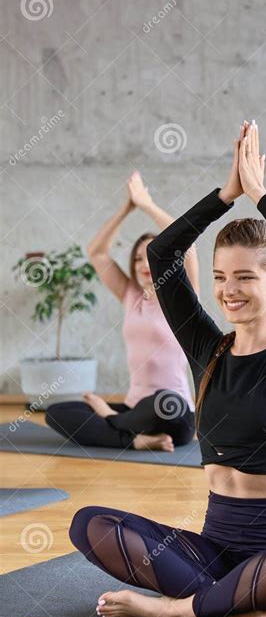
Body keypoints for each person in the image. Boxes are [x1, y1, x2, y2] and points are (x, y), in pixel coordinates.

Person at [69, 120, 266, 617]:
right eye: (219, 277)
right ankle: (228, 606)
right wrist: (224, 195)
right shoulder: (206, 350)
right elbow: (161, 254)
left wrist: (259, 196)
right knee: (90, 524)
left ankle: (177, 609)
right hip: (213, 553)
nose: (228, 291)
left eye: (244, 277)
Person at [46, 172, 196, 451]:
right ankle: (136, 439)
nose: (144, 262)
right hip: (134, 409)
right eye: (138, 257)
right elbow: (97, 252)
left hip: (174, 412)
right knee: (57, 412)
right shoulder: (131, 295)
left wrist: (147, 203)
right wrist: (128, 207)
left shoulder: (181, 298)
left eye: (152, 255)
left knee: (163, 400)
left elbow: (189, 246)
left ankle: (112, 420)